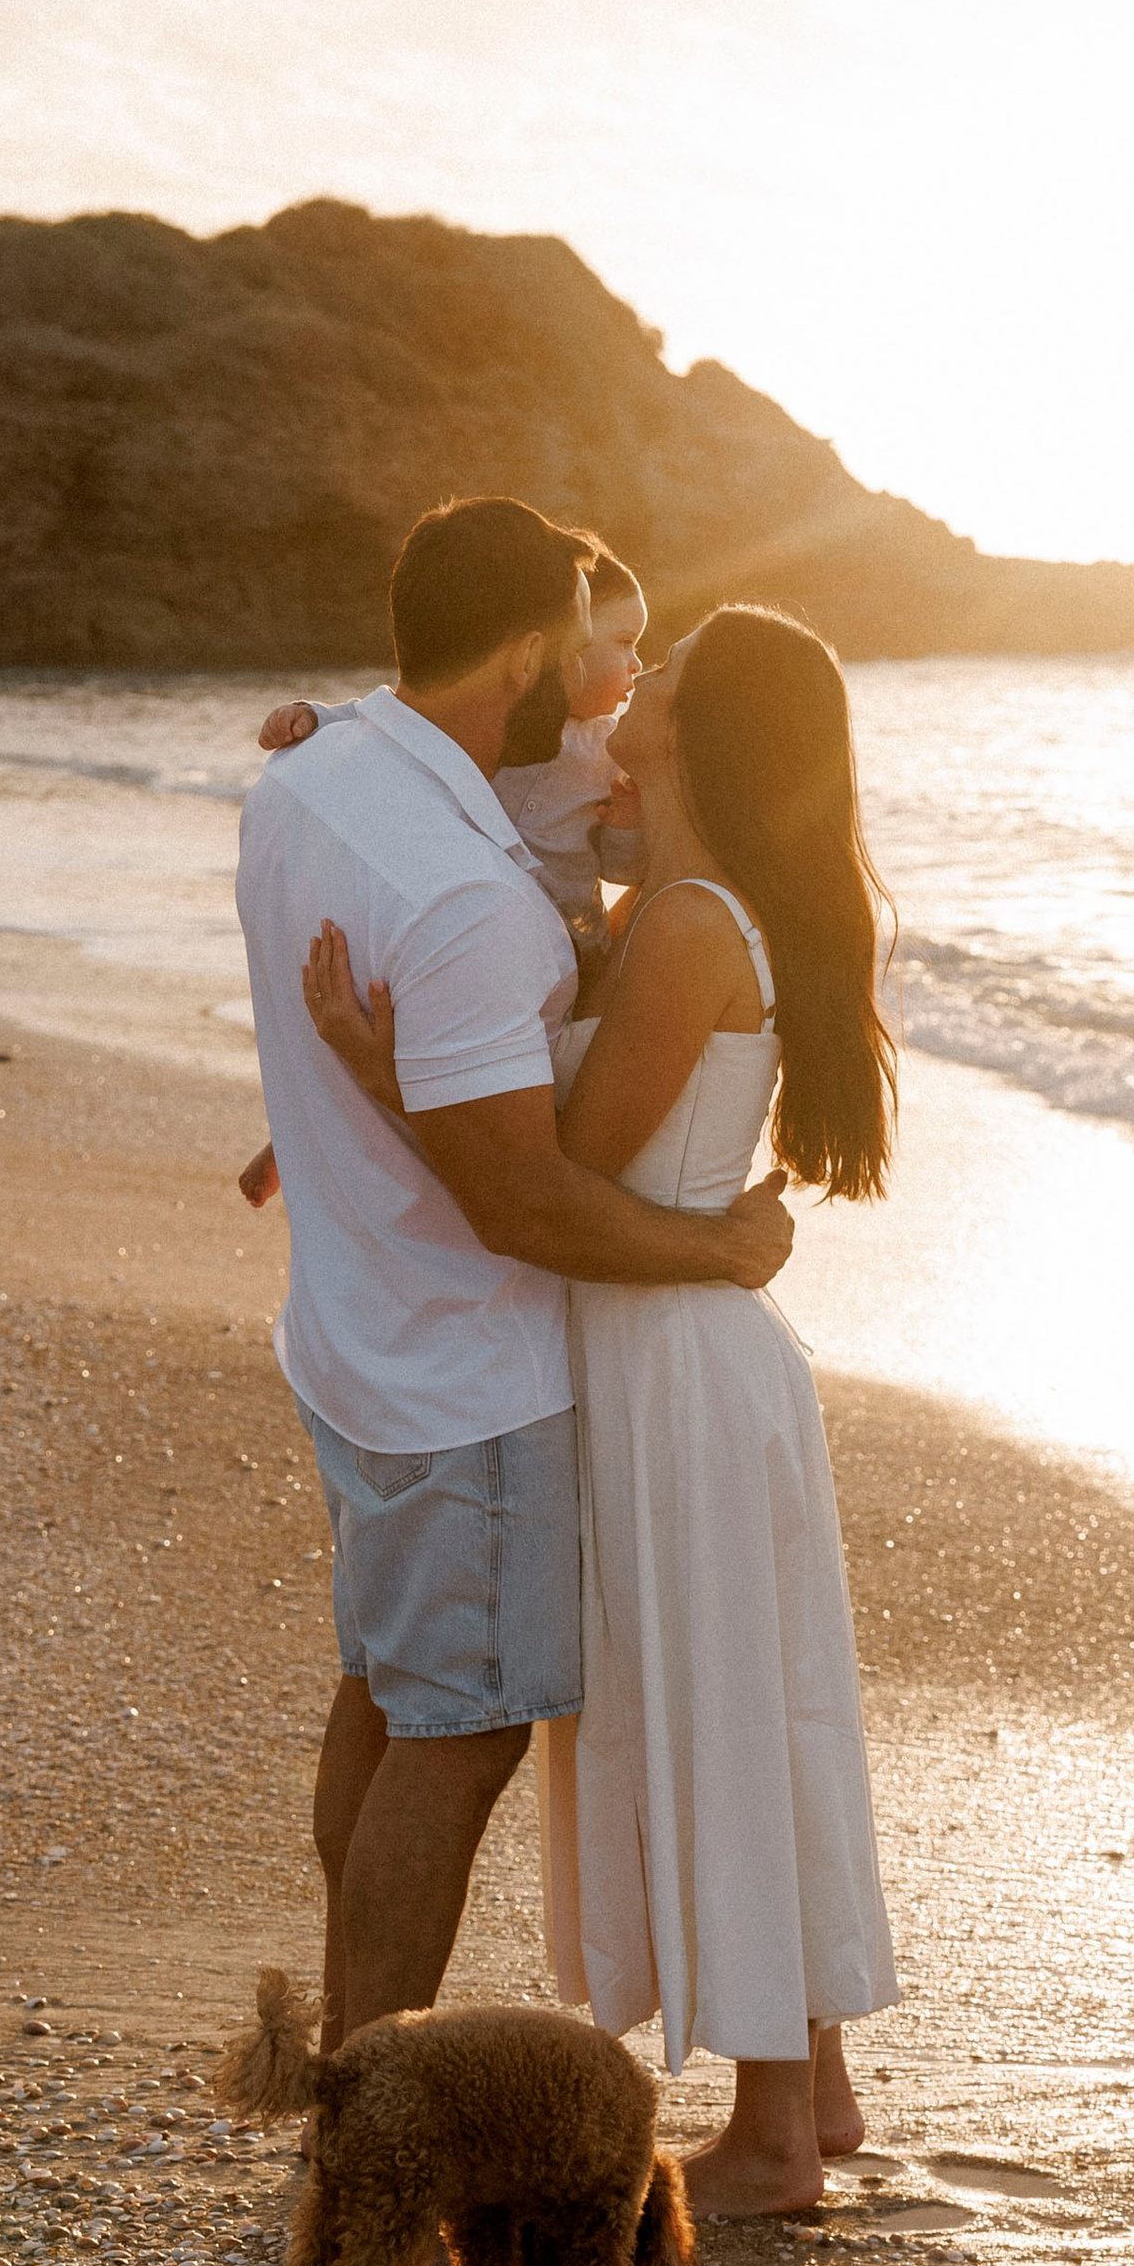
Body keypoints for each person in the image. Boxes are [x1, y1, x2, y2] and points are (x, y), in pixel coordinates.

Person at [306, 602, 901, 2217]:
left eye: (664, 684)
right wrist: (328, 757)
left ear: (704, 734)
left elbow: (549, 1164)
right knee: (755, 1710)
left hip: (673, 1369)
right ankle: (816, 2089)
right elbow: (489, 833)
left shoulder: (694, 924)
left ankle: (775, 2140)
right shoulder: (674, 907)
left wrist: (375, 1079)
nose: (624, 701)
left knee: (724, 1715)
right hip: (688, 1355)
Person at [235, 499, 795, 2060]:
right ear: (531, 647)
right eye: (591, 646)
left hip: (351, 1333)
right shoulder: (470, 893)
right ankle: (374, 2125)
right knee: (457, 1736)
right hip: (460, 1372)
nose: (609, 685)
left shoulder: (310, 780)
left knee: (387, 1697)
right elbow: (519, 1201)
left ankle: (344, 2079)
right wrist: (720, 1247)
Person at [236, 547, 649, 1212]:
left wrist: (628, 822)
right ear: (543, 650)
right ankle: (300, 1129)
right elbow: (399, 721)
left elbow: (626, 867)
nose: (635, 664)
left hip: (571, 939)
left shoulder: (611, 749)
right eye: (621, 641)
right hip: (474, 923)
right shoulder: (507, 720)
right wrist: (318, 716)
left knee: (532, 1074)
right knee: (407, 1033)